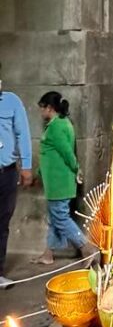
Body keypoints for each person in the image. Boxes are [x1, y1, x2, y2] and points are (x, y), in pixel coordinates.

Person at [33, 91, 95, 265]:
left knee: (60, 218)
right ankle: (48, 254)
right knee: (55, 218)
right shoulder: (60, 123)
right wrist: (39, 173)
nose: (40, 112)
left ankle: (86, 248)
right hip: (57, 181)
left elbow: (67, 152)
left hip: (59, 182)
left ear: (49, 108)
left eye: (42, 108)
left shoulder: (57, 127)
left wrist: (77, 168)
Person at [0, 78, 32, 288]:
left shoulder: (12, 102)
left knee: (2, 223)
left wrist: (27, 165)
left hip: (6, 173)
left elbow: (23, 134)